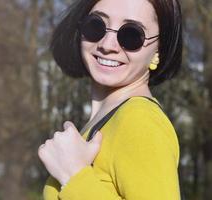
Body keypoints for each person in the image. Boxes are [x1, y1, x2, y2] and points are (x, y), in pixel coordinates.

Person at [38, 0, 182, 199]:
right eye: (96, 25)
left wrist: (74, 176)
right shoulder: (109, 120)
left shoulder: (140, 121)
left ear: (159, 49)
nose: (107, 45)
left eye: (131, 35)